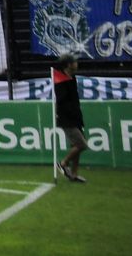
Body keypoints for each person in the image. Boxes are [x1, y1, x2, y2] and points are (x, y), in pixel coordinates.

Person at [53, 54, 88, 183]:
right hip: (66, 118)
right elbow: (62, 102)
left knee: (76, 146)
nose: (76, 64)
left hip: (76, 116)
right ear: (68, 65)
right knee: (81, 145)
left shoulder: (72, 77)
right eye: (74, 62)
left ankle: (74, 174)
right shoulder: (60, 82)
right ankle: (63, 163)